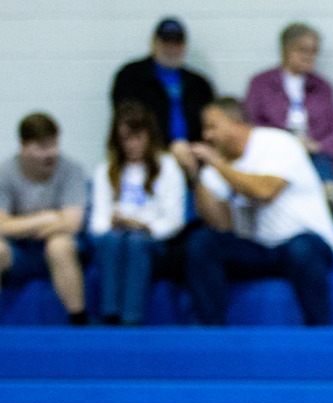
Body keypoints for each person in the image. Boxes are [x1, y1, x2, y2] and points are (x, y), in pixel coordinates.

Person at [180, 98, 333, 326]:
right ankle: (211, 333)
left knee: (301, 250)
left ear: (235, 123)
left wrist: (217, 164)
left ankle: (319, 333)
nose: (207, 136)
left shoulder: (277, 143)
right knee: (202, 242)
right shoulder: (219, 164)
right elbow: (221, 224)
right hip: (257, 247)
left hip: (304, 241)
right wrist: (196, 175)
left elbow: (264, 191)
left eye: (212, 127)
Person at [88, 101, 186, 325]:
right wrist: (114, 222)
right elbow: (97, 222)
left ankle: (132, 317)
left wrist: (144, 226)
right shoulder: (106, 170)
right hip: (116, 237)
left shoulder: (168, 167)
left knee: (135, 242)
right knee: (112, 240)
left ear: (150, 136)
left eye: (138, 137)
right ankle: (110, 313)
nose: (132, 145)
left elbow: (174, 220)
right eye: (126, 139)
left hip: (153, 242)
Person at [0, 113, 89, 325]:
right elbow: (1, 225)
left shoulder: (71, 170)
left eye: (53, 144)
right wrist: (45, 218)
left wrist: (19, 225)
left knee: (59, 245)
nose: (50, 153)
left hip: (59, 247)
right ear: (23, 146)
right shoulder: (5, 173)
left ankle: (78, 319)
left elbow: (72, 222)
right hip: (18, 252)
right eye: (42, 147)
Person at [245, 23, 333, 184]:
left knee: (321, 180)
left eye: (314, 51)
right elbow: (251, 126)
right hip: (274, 155)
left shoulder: (323, 87)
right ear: (285, 50)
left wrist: (316, 146)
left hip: (314, 157)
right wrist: (284, 143)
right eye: (303, 50)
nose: (309, 56)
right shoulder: (261, 84)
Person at [110, 18, 215, 168]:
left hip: (193, 158)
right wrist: (167, 150)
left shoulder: (199, 84)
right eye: (166, 42)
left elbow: (210, 124)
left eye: (177, 42)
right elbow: (128, 120)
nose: (171, 48)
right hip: (147, 158)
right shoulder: (131, 77)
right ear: (154, 44)